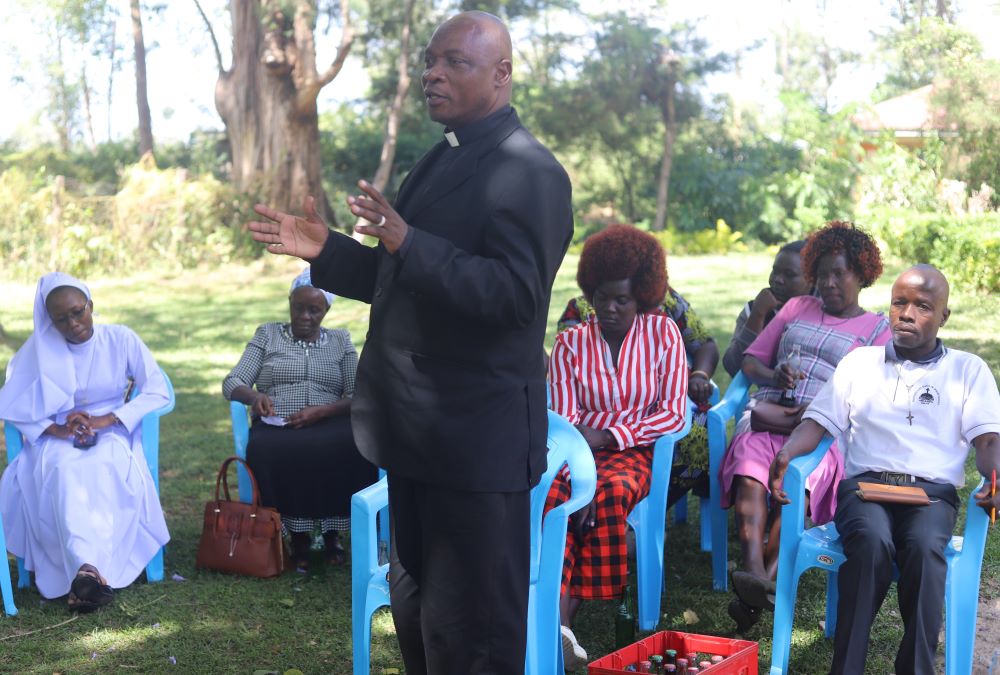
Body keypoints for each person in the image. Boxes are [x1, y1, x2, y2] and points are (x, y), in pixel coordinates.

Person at [246, 11, 573, 673]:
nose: (432, 73)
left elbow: (514, 300)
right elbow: (407, 279)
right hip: (418, 436)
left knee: (473, 635)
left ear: (502, 74)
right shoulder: (443, 157)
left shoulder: (530, 171)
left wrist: (407, 240)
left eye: (455, 61)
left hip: (476, 448)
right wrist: (330, 252)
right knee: (422, 617)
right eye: (430, 60)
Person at [769, 264, 1000, 674]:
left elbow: (988, 441)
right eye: (899, 303)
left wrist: (996, 474)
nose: (907, 314)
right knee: (871, 541)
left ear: (943, 316)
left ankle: (915, 668)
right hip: (865, 491)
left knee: (927, 550)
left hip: (930, 497)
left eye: (923, 306)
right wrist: (788, 452)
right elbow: (817, 422)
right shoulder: (861, 363)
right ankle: (848, 668)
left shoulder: (967, 370)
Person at [717, 221, 891, 632]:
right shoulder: (796, 309)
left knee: (800, 479)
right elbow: (749, 363)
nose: (828, 283)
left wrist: (827, 407)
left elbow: (876, 397)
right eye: (823, 274)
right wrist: (775, 374)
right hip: (771, 413)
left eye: (840, 274)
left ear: (862, 275)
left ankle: (759, 583)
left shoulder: (876, 330)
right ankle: (757, 571)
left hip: (824, 429)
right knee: (749, 466)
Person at [547, 225, 689, 668]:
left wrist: (611, 435)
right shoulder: (571, 345)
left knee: (606, 496)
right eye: (601, 298)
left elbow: (673, 413)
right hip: (575, 454)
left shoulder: (663, 336)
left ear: (642, 297)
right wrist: (577, 475)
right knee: (555, 498)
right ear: (589, 292)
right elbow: (564, 421)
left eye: (622, 300)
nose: (609, 308)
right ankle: (558, 626)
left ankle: (558, 623)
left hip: (635, 453)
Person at [0, 272, 170, 612]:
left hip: (112, 430)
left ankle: (85, 574)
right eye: (61, 318)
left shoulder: (120, 339)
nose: (73, 323)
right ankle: (88, 571)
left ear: (91, 305)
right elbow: (13, 405)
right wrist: (57, 428)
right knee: (63, 473)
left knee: (105, 466)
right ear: (50, 320)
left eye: (78, 312)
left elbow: (157, 390)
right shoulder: (37, 351)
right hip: (57, 440)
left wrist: (108, 419)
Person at [222, 269, 374, 570]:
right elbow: (232, 381)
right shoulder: (268, 334)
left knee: (354, 446)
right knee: (267, 450)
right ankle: (295, 535)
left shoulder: (340, 341)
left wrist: (322, 411)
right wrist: (255, 398)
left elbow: (359, 395)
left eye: (314, 310)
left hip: (330, 422)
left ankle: (332, 533)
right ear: (290, 303)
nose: (304, 316)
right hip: (279, 423)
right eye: (298, 307)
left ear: (326, 310)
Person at [556, 256, 719, 505]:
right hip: (595, 422)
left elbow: (704, 343)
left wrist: (698, 375)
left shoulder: (669, 302)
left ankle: (653, 508)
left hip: (667, 401)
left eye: (622, 299)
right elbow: (567, 375)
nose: (611, 307)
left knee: (697, 435)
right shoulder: (579, 310)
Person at [721, 240, 812, 377]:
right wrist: (758, 315)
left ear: (812, 280)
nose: (778, 280)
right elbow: (733, 366)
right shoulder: (755, 308)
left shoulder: (822, 314)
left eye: (790, 275)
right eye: (775, 271)